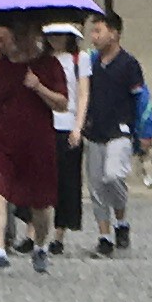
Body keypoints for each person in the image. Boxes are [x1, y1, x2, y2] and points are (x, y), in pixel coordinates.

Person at [0, 19, 73, 274]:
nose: (21, 40)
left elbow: (62, 103)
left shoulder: (50, 66)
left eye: (26, 34)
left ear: (36, 36)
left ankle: (40, 247)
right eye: (18, 34)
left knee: (39, 205)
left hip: (37, 144)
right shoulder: (1, 67)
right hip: (1, 140)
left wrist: (38, 86)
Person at [79, 10, 147, 256]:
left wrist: (144, 131)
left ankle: (121, 219)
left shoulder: (129, 64)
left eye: (99, 31)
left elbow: (141, 98)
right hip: (95, 130)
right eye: (92, 31)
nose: (93, 36)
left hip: (121, 130)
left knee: (112, 177)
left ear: (114, 33)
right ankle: (104, 236)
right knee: (96, 185)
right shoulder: (91, 64)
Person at [41, 23, 89, 242]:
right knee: (39, 180)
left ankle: (58, 235)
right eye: (50, 34)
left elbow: (82, 95)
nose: (54, 39)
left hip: (67, 123)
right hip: (43, 124)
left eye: (59, 34)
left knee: (66, 183)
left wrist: (78, 127)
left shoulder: (80, 59)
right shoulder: (41, 60)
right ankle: (34, 233)